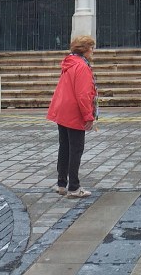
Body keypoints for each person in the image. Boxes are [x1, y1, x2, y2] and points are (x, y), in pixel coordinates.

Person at [47, 34, 97, 198]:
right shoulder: (82, 66)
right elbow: (83, 94)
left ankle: (61, 183)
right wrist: (88, 116)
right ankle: (74, 187)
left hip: (62, 109)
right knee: (76, 149)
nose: (92, 51)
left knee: (65, 147)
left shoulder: (69, 63)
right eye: (91, 48)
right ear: (85, 49)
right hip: (74, 111)